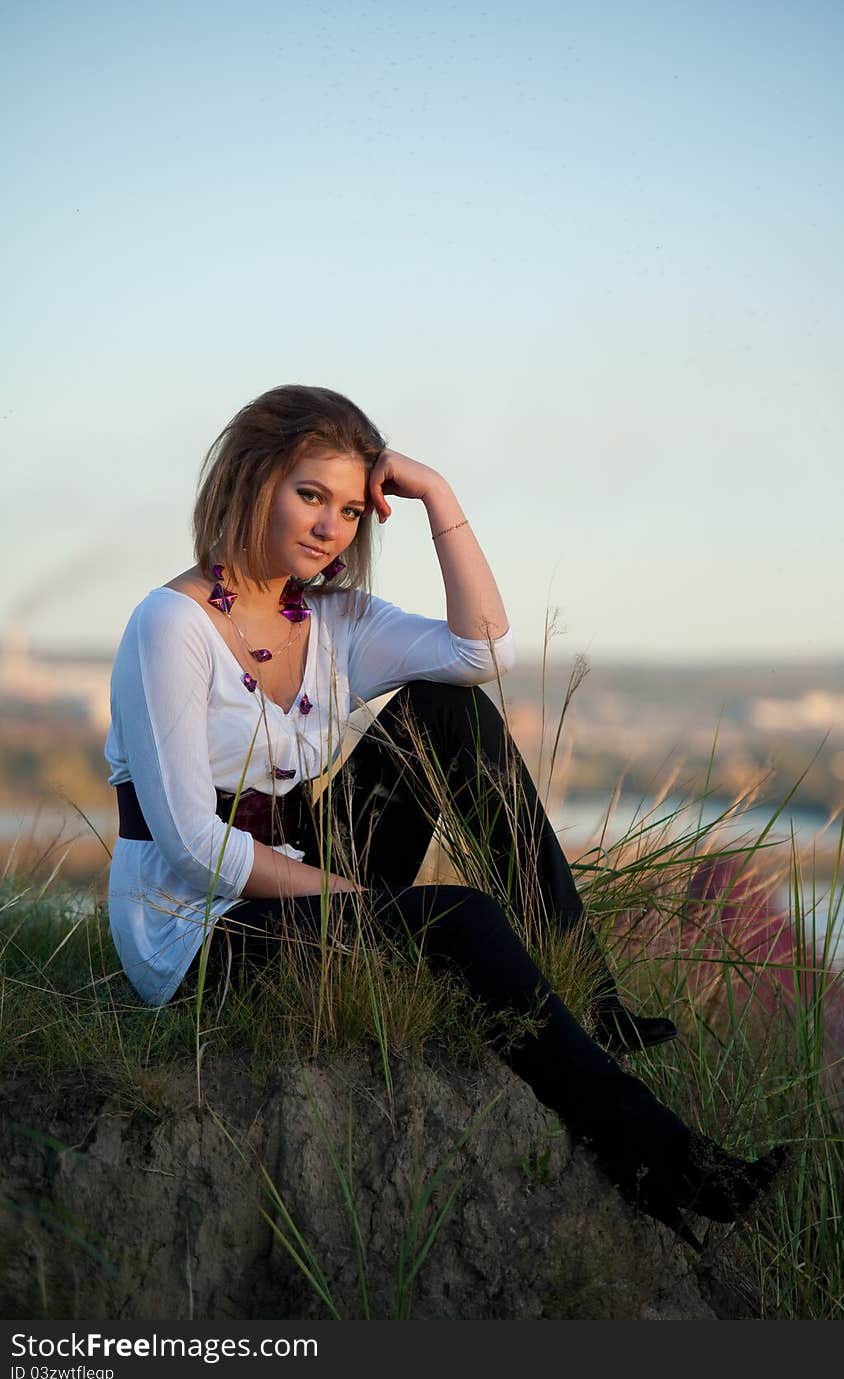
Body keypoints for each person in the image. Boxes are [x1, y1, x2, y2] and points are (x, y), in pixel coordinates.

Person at [105, 384, 787, 1251]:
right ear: (252, 480)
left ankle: (591, 988)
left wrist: (438, 494)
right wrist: (353, 893)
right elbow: (194, 847)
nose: (330, 527)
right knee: (454, 916)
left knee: (448, 711)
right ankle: (663, 1155)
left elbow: (482, 653)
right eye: (310, 495)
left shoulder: (332, 619)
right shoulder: (171, 625)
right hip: (199, 932)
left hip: (301, 873)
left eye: (352, 509)